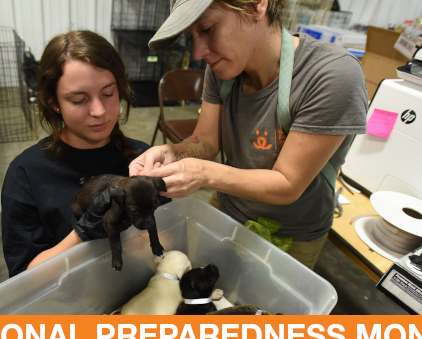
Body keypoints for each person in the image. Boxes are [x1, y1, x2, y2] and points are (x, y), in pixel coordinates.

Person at [130, 0, 368, 269]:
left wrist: (203, 173)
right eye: (190, 36)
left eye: (208, 28)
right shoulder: (222, 68)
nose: (198, 52)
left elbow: (287, 185)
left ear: (256, 5)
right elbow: (206, 142)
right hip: (228, 208)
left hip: (291, 231)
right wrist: (174, 152)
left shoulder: (331, 75)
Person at [1, 30, 150, 278]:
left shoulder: (142, 158)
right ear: (53, 102)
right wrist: (82, 234)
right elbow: (24, 281)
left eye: (108, 93)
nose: (99, 111)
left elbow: (170, 242)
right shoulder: (26, 174)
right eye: (79, 100)